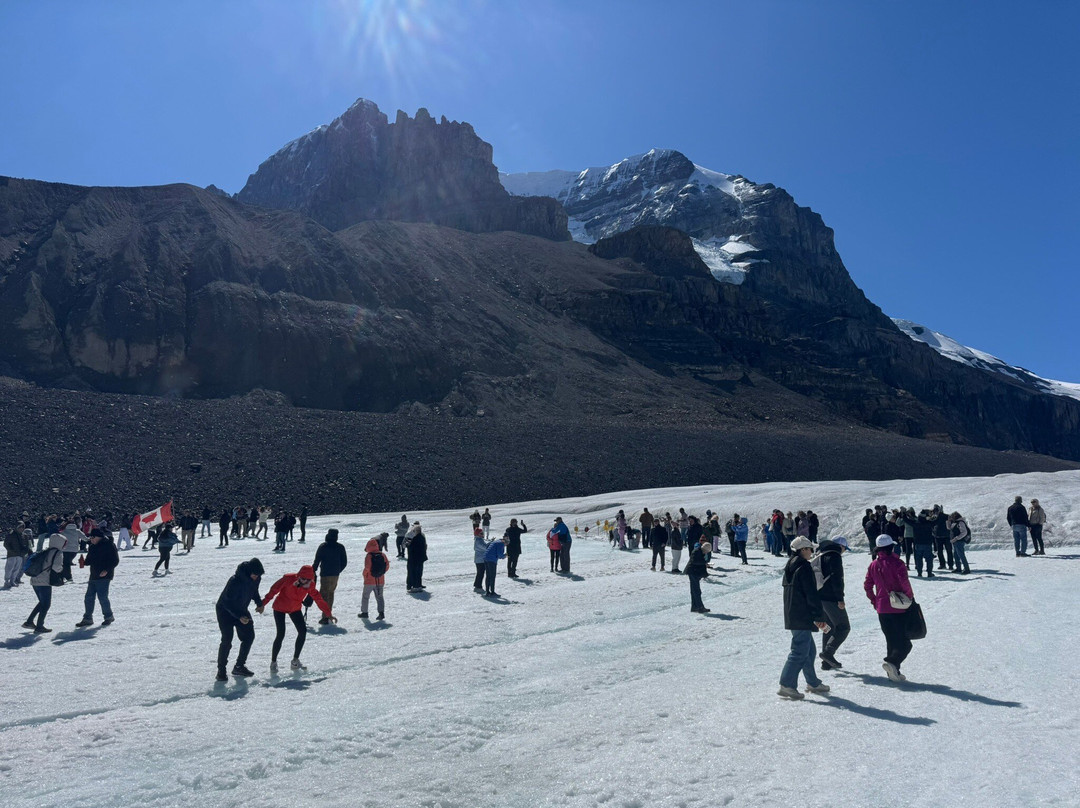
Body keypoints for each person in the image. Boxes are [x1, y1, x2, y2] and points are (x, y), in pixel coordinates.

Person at [778, 537, 830, 699]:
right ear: (802, 550)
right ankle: (787, 684)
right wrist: (818, 615)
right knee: (799, 651)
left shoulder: (790, 566)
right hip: (802, 615)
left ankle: (813, 682)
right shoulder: (804, 567)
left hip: (794, 614)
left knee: (809, 650)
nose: (812, 552)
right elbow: (811, 594)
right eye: (810, 549)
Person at [262, 564, 335, 671]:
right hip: (280, 608)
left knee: (302, 631)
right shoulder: (288, 579)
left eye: (306, 579)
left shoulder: (310, 585)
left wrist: (328, 613)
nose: (303, 581)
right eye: (301, 578)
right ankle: (273, 662)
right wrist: (263, 603)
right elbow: (274, 590)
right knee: (280, 634)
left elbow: (318, 599)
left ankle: (295, 660)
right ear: (298, 575)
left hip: (295, 609)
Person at [864, 535, 915, 682]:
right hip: (899, 607)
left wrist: (875, 601)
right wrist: (909, 598)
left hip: (882, 608)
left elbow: (867, 585)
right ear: (891, 547)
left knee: (891, 641)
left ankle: (894, 674)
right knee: (905, 643)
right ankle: (892, 663)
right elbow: (904, 582)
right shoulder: (898, 563)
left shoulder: (873, 564)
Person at [215, 558, 265, 681]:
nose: (256, 578)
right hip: (224, 611)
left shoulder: (256, 578)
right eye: (254, 575)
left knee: (249, 636)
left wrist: (259, 603)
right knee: (227, 640)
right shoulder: (234, 581)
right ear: (248, 572)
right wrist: (239, 617)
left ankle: (239, 666)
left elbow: (254, 591)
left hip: (241, 609)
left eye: (258, 576)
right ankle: (221, 671)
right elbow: (227, 603)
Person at [816, 537, 849, 670]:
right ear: (840, 546)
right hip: (831, 598)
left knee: (828, 627)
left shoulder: (821, 554)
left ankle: (826, 663)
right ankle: (828, 653)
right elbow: (837, 578)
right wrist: (840, 598)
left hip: (820, 596)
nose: (844, 552)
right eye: (845, 549)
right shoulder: (834, 556)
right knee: (843, 627)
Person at [76, 529, 119, 627]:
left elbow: (115, 560)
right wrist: (83, 562)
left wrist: (107, 570)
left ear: (99, 537)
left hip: (105, 576)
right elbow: (90, 560)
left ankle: (109, 616)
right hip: (94, 575)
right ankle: (88, 618)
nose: (91, 539)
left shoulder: (109, 545)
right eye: (90, 537)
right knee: (88, 598)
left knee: (102, 597)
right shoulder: (92, 547)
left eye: (93, 537)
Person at [23, 533, 65, 633]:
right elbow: (57, 567)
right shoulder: (58, 553)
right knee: (46, 604)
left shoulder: (45, 550)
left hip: (34, 579)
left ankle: (29, 622)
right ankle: (39, 626)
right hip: (44, 581)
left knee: (42, 602)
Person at [311, 528, 348, 624]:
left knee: (324, 594)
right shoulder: (340, 547)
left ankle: (325, 616)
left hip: (325, 574)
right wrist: (338, 570)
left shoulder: (323, 546)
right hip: (335, 574)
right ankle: (327, 614)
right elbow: (344, 562)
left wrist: (312, 570)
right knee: (330, 593)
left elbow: (317, 559)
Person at [359, 538, 389, 619]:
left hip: (369, 580)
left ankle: (364, 612)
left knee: (365, 596)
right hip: (380, 580)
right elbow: (387, 566)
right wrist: (381, 573)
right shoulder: (382, 555)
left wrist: (365, 575)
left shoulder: (369, 556)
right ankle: (381, 613)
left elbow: (367, 568)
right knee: (379, 597)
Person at [686, 532, 711, 613]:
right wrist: (704, 563)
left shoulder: (700, 552)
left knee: (694, 590)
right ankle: (700, 607)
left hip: (694, 572)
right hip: (693, 572)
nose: (706, 553)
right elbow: (694, 561)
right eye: (707, 551)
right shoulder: (697, 551)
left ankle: (694, 607)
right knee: (696, 591)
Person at [911, 510, 935, 577]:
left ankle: (919, 573)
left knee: (919, 559)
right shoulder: (929, 523)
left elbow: (906, 520)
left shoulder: (915, 523)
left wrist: (903, 514)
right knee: (929, 559)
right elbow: (937, 521)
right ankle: (929, 573)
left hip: (918, 543)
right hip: (927, 543)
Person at [405, 522, 427, 592]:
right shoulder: (422, 536)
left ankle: (414, 586)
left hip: (414, 558)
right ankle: (418, 585)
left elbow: (411, 547)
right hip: (421, 557)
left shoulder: (415, 538)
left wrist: (408, 544)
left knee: (413, 572)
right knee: (419, 572)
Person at [4, 522, 28, 588]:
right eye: (20, 527)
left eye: (23, 527)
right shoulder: (11, 534)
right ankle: (7, 581)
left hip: (20, 555)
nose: (22, 529)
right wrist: (11, 551)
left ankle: (13, 581)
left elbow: (27, 546)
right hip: (12, 554)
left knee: (17, 569)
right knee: (9, 568)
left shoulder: (24, 535)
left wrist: (24, 552)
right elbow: (6, 544)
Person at [932, 506, 953, 571]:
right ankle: (946, 565)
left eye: (936, 511)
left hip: (943, 536)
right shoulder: (945, 516)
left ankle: (946, 564)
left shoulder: (942, 517)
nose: (935, 512)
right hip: (941, 536)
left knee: (945, 551)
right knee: (943, 551)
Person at [473, 528, 490, 593]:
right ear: (477, 534)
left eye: (482, 533)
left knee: (480, 573)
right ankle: (478, 585)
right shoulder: (479, 540)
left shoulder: (479, 540)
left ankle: (477, 584)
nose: (483, 534)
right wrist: (490, 543)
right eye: (481, 533)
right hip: (480, 560)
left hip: (480, 559)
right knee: (480, 573)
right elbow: (485, 547)